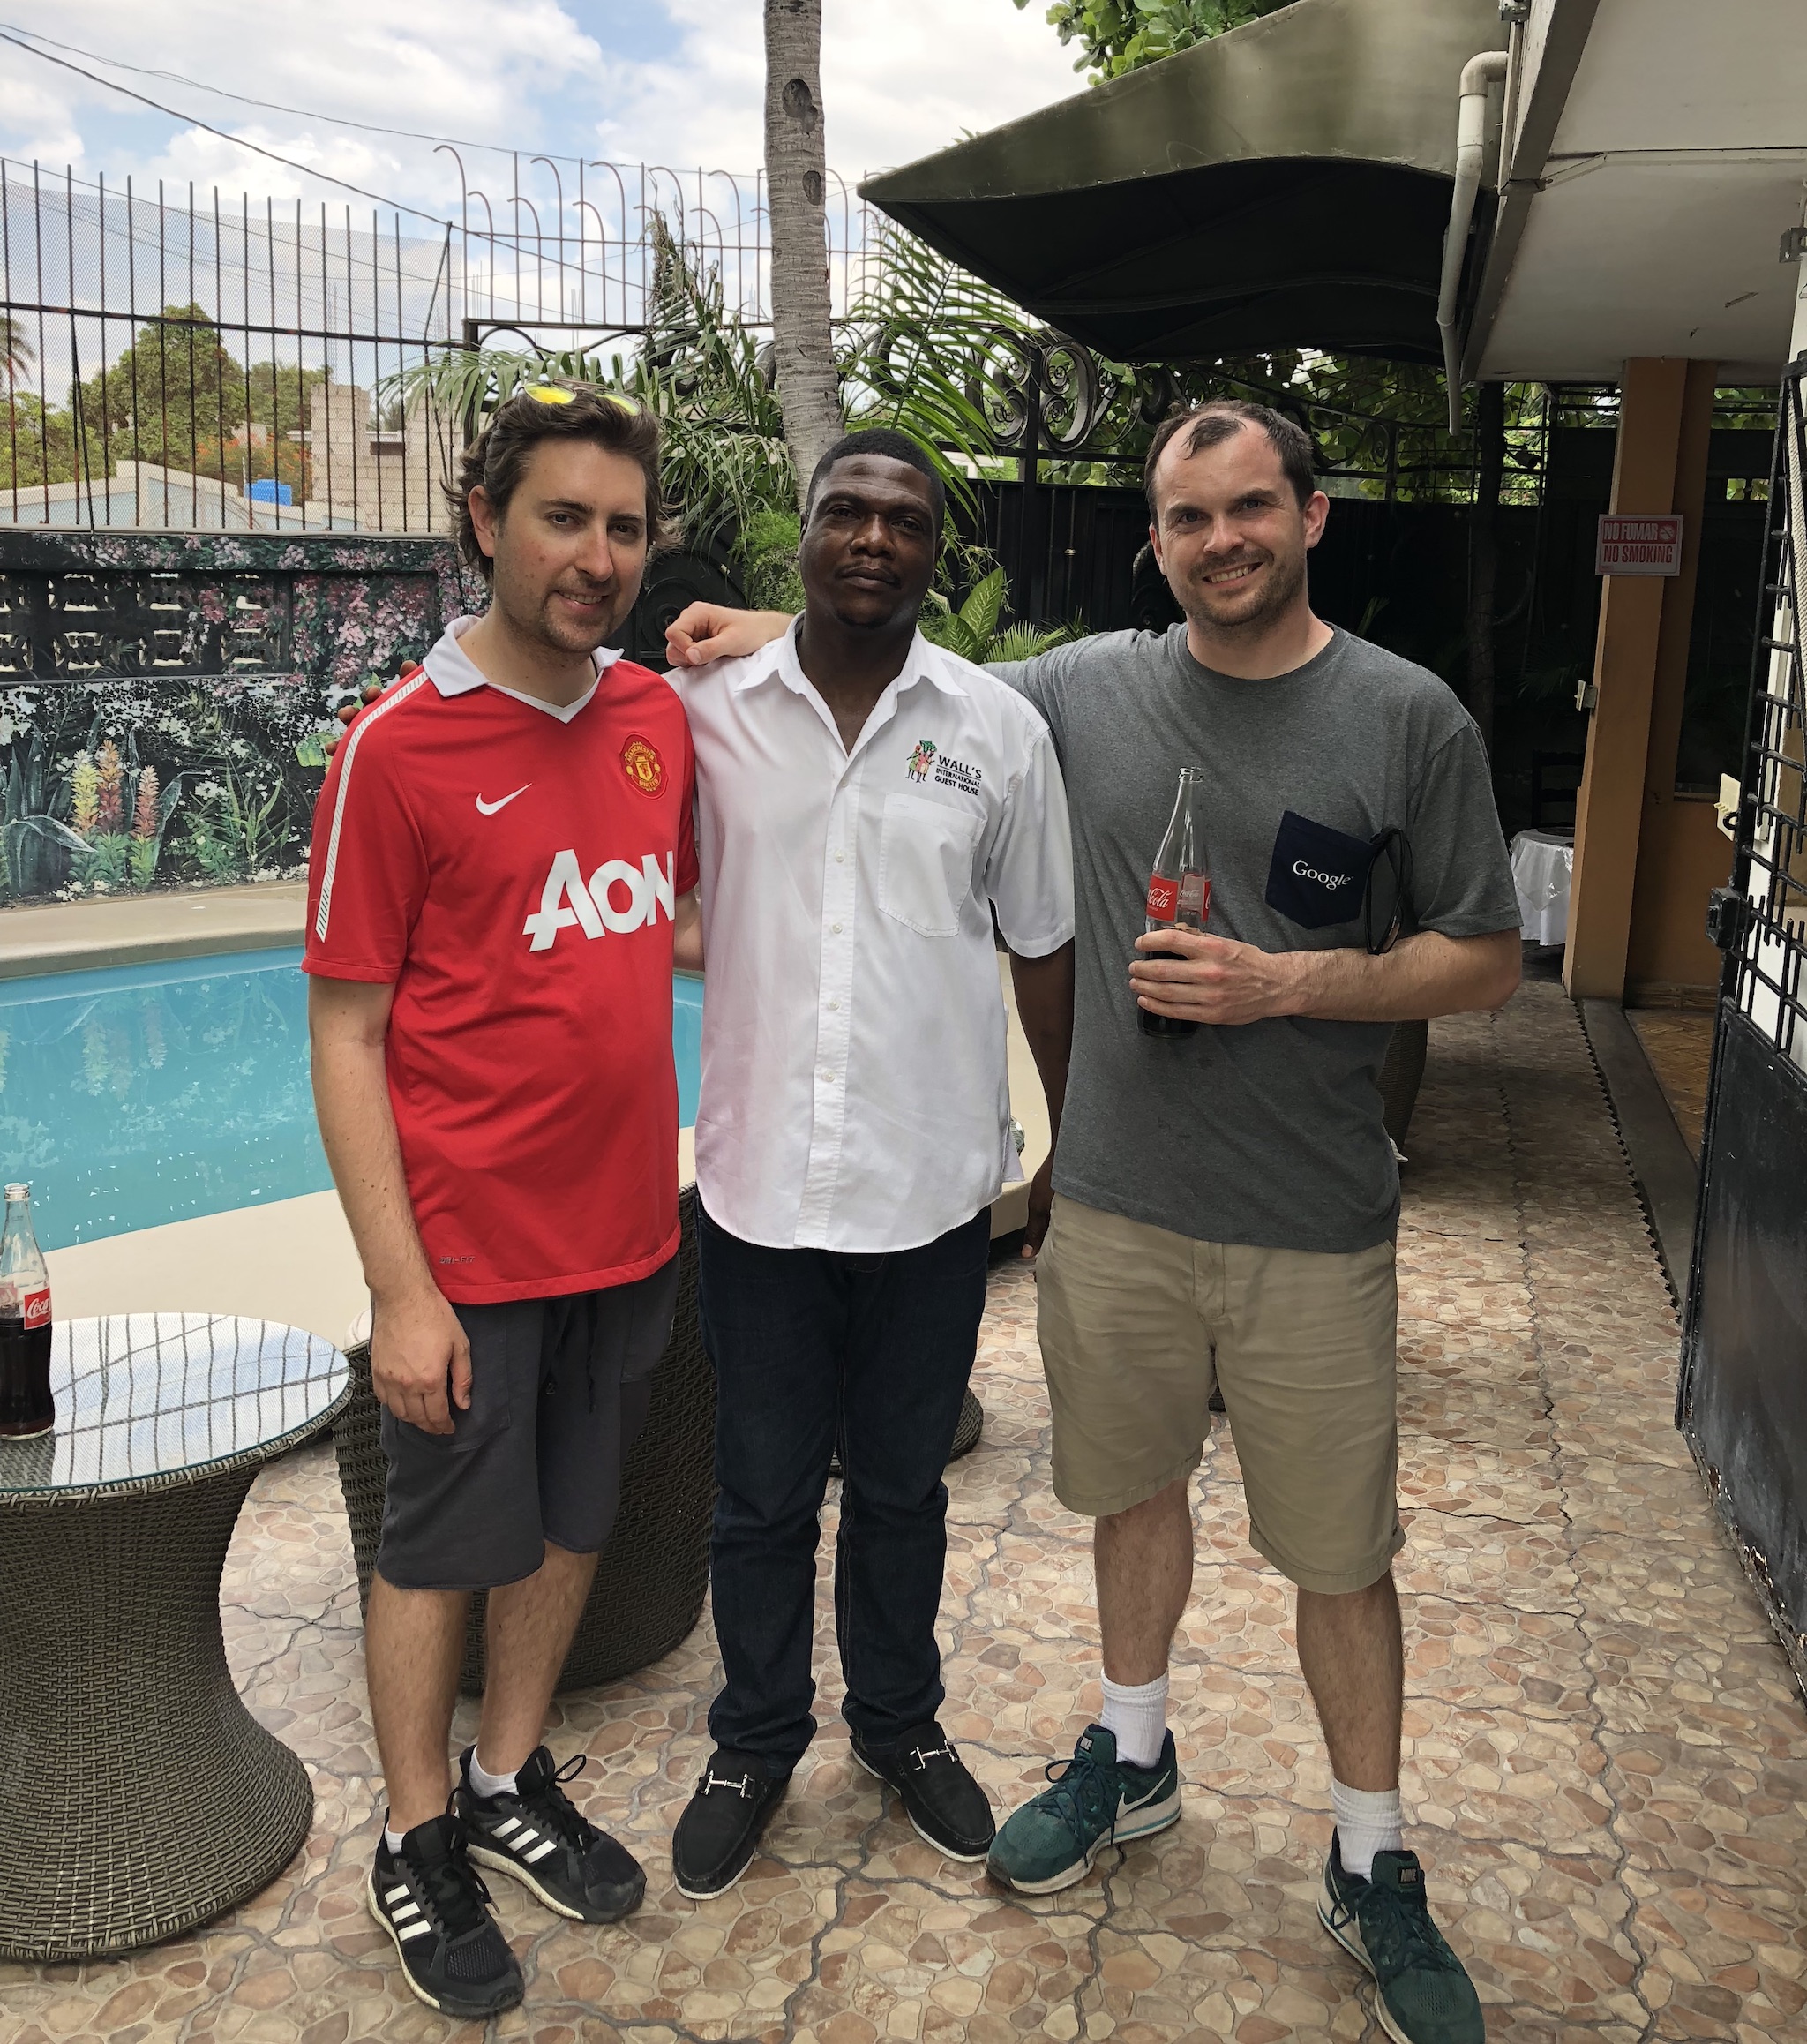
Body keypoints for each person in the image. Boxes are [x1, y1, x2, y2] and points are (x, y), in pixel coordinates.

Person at [665, 400, 1523, 2044]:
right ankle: (1128, 1756)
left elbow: (1484, 956)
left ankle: (1371, 1853)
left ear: (1313, 515)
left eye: (1251, 508)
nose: (1223, 541)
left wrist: (1297, 983)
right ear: (1156, 542)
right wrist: (780, 618)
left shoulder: (1408, 719)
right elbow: (886, 644)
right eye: (1190, 519)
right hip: (1119, 1211)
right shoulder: (1085, 690)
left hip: (1312, 1220)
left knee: (1339, 1559)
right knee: (1125, 1500)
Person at [305, 385, 699, 2021]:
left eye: (622, 526)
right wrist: (400, 1291)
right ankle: (415, 1835)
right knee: (438, 1547)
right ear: (484, 519)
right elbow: (345, 1030)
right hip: (467, 1258)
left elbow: (660, 934)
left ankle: (508, 1779)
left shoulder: (657, 724)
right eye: (563, 518)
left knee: (573, 1524)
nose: (595, 556)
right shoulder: (394, 751)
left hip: (627, 1231)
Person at [664, 427, 1076, 1901]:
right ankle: (756, 1739)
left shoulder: (996, 731)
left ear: (932, 548)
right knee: (760, 1494)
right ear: (805, 534)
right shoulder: (706, 712)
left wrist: (1067, 1142)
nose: (875, 538)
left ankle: (900, 1726)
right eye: (847, 512)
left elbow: (1041, 941)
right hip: (762, 1186)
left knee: (904, 1490)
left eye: (904, 519)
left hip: (926, 1190)